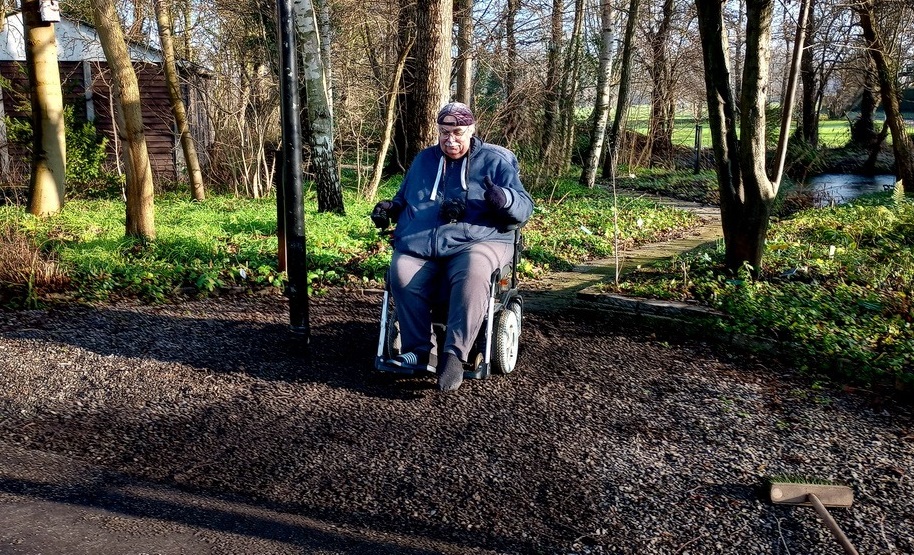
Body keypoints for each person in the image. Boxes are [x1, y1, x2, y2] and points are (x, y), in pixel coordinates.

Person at [372, 102, 534, 391]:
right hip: (424, 243)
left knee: (474, 269)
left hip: (481, 240)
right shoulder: (424, 160)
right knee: (401, 269)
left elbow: (524, 206)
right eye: (444, 132)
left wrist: (504, 199)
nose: (450, 139)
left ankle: (454, 355)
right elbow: (404, 197)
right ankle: (420, 351)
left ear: (471, 130)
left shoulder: (496, 161)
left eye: (458, 132)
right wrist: (389, 208)